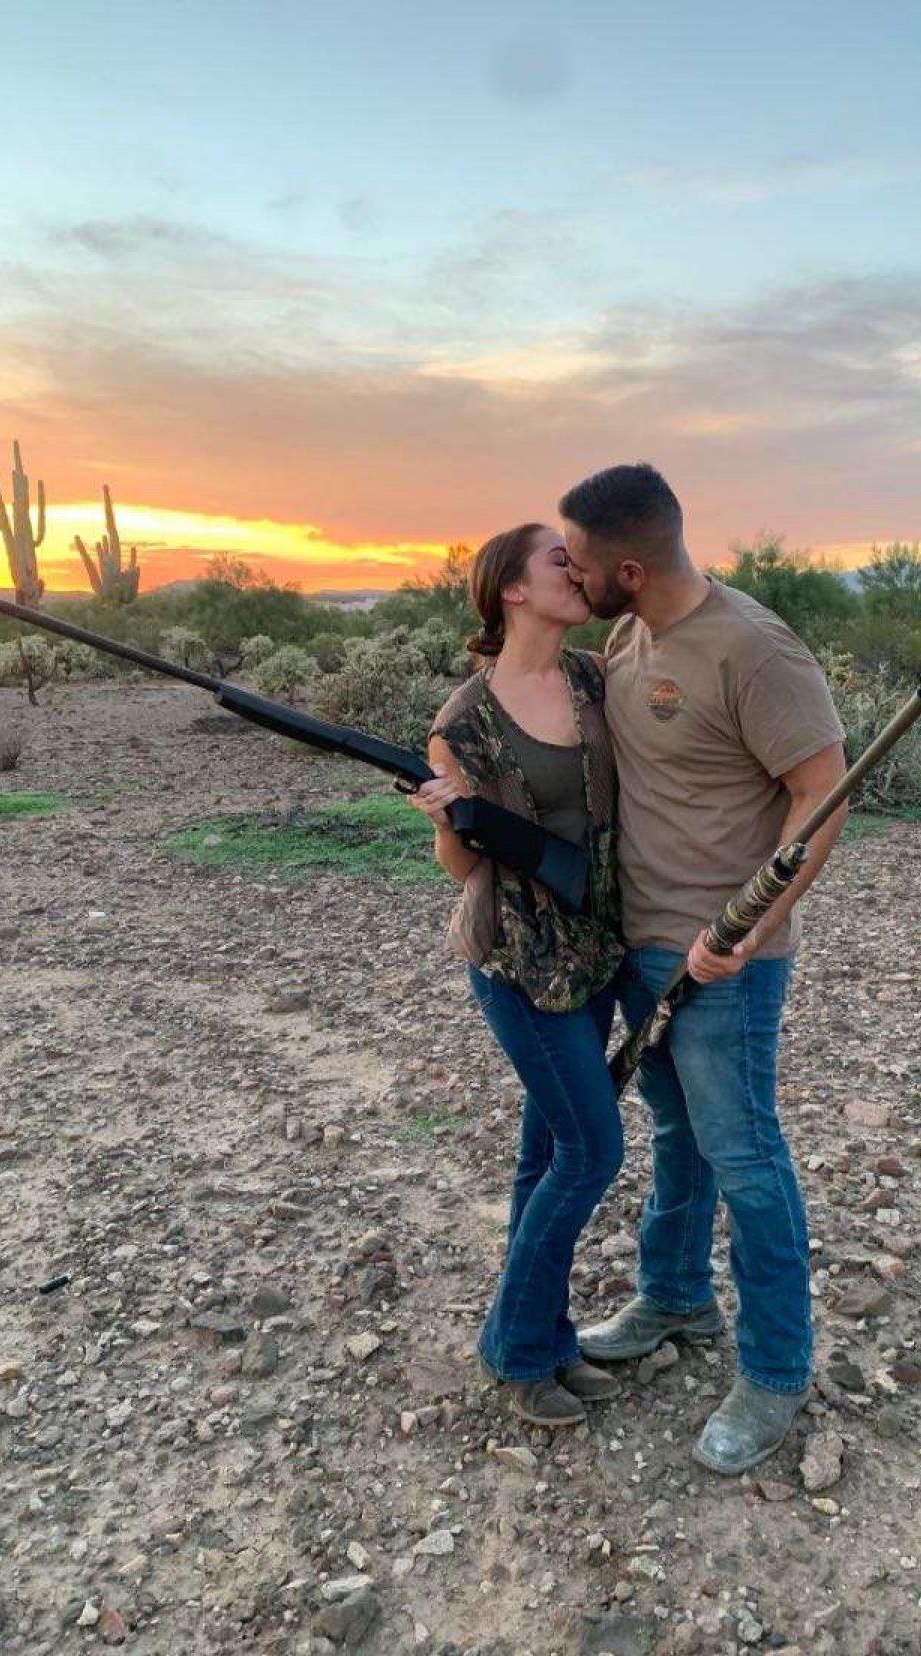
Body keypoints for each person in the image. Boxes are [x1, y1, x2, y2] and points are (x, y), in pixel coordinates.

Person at [556, 462, 849, 1475]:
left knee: (745, 1155)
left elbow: (823, 790)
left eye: (580, 561)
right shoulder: (627, 636)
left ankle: (776, 1370)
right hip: (638, 946)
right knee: (677, 1133)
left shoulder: (755, 648)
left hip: (724, 959)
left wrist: (755, 925)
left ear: (629, 569)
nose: (570, 573)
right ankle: (676, 1297)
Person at [405, 522, 628, 1428]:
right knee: (594, 1150)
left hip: (598, 948)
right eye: (557, 561)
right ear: (512, 589)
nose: (577, 571)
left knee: (548, 1156)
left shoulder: (594, 679)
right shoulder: (462, 722)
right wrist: (450, 821)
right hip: (518, 961)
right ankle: (516, 1345)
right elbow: (463, 871)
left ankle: (547, 1339)